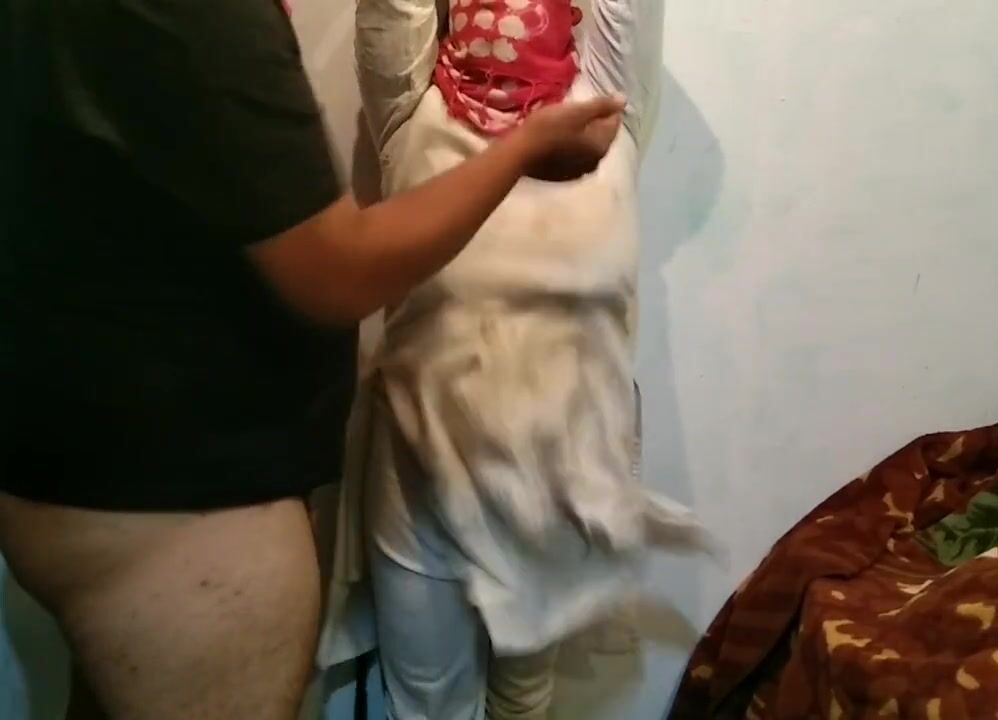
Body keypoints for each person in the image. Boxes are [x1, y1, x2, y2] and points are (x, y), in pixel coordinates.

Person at [0, 0, 625, 716]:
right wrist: (521, 152)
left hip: (113, 462)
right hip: (181, 496)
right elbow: (338, 273)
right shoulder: (216, 23)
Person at [314, 1, 705, 718]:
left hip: (553, 483)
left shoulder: (600, 119)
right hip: (420, 485)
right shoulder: (411, 116)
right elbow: (391, 14)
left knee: (524, 702)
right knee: (427, 705)